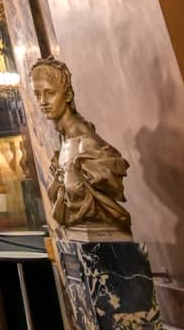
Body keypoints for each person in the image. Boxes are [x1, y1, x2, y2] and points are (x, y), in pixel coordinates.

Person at [29, 57, 132, 235]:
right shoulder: (64, 144)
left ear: (67, 95)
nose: (42, 101)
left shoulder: (88, 145)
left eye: (50, 93)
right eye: (37, 94)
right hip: (78, 238)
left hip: (103, 240)